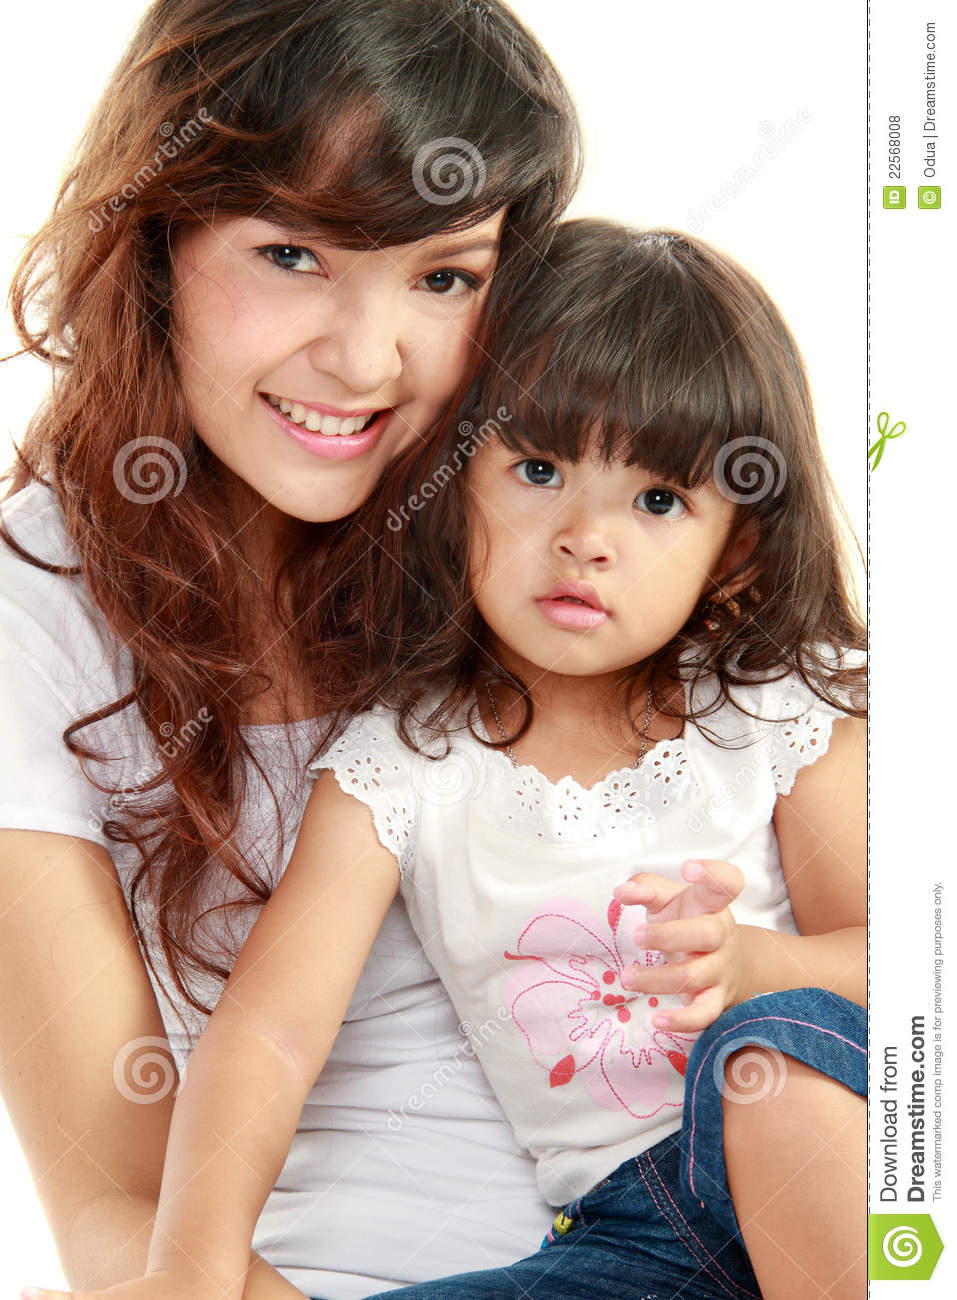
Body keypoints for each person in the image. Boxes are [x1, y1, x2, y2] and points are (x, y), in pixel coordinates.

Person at [29, 219, 865, 1300]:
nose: (585, 536)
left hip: (832, 1153)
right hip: (628, 1238)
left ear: (736, 551)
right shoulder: (404, 761)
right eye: (538, 468)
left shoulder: (770, 710)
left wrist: (758, 968)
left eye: (658, 500)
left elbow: (903, 973)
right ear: (453, 480)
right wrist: (190, 1273)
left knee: (772, 1058)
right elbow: (269, 1036)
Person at [0, 2, 584, 1297]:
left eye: (443, 276)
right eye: (294, 255)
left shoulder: (549, 520)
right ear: (152, 241)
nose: (368, 361)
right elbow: (125, 1217)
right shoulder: (30, 611)